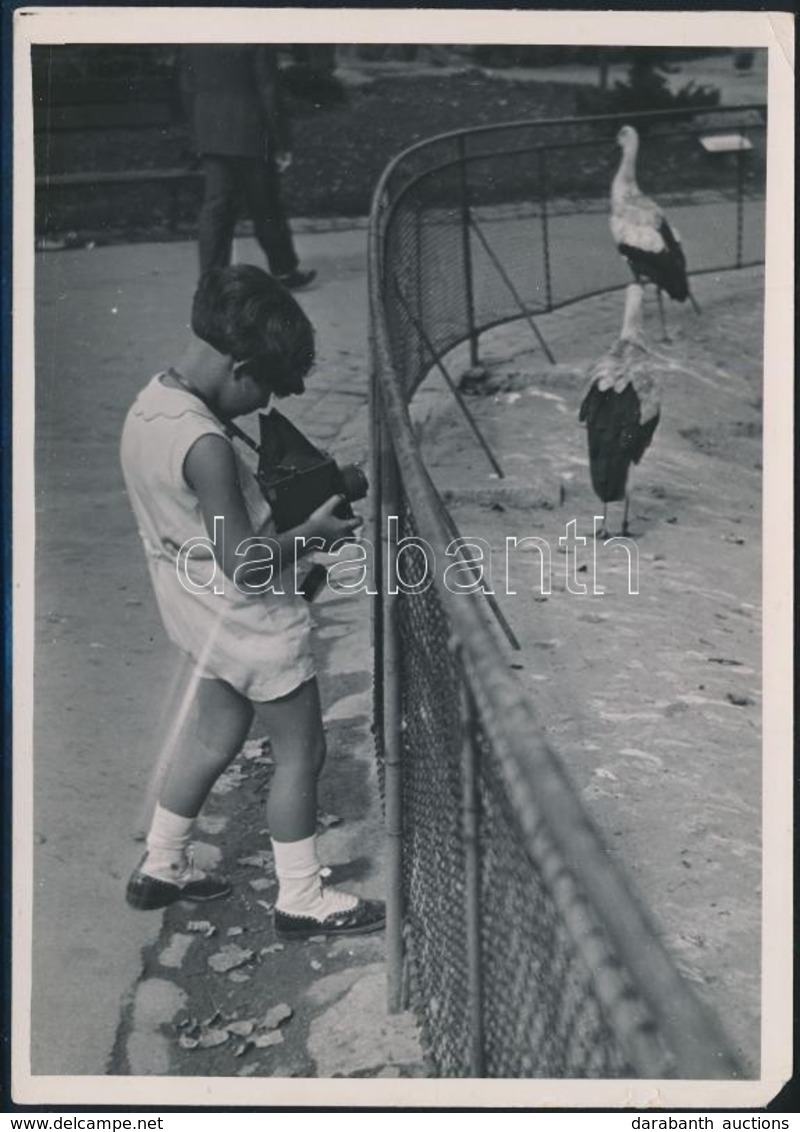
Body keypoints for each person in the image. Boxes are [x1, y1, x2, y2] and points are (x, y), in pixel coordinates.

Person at [120, 265, 383, 940]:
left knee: (214, 733)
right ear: (239, 366)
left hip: (195, 611)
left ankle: (162, 863)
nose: (264, 402)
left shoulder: (152, 405)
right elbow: (244, 560)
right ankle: (301, 898)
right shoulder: (206, 444)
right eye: (263, 385)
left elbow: (201, 532)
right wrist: (314, 536)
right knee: (303, 752)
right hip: (251, 616)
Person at [181, 44, 316, 290]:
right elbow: (268, 88)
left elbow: (187, 85)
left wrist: (199, 128)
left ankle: (212, 281)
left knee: (216, 206)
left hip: (211, 129)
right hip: (250, 129)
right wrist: (281, 141)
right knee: (265, 203)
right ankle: (284, 270)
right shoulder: (254, 35)